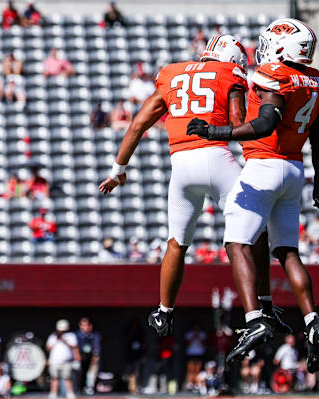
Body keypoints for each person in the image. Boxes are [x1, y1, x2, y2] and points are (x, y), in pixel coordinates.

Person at [98, 35, 289, 340]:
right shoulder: (231, 74)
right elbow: (239, 122)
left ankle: (164, 310)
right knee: (254, 232)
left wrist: (118, 170)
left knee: (176, 243)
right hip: (217, 158)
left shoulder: (171, 74)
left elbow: (137, 124)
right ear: (234, 60)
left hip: (182, 167)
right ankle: (260, 310)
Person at [186, 19, 319, 369]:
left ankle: (255, 320)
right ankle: (313, 323)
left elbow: (265, 122)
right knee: (287, 251)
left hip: (264, 165)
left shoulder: (274, 75)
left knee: (236, 244)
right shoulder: (315, 81)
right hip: (294, 171)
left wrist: (214, 131)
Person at [46, 319, 79, 399]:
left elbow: (74, 347)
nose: (62, 332)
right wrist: (57, 340)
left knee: (67, 378)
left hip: (67, 362)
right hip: (54, 361)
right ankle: (53, 393)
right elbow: (48, 348)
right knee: (54, 378)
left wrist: (65, 341)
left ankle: (70, 393)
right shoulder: (53, 336)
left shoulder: (71, 336)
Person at [76, 318, 101, 395]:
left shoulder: (94, 335)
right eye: (83, 325)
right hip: (80, 357)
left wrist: (95, 355)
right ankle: (80, 388)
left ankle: (89, 388)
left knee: (92, 373)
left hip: (91, 357)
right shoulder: (77, 335)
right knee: (80, 373)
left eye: (86, 325)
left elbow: (96, 345)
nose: (84, 327)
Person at [184, 321, 207, 392]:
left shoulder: (202, 334)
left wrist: (198, 337)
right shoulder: (189, 334)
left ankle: (197, 383)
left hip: (199, 353)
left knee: (197, 369)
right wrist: (193, 337)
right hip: (191, 353)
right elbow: (187, 344)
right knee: (191, 369)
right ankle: (190, 383)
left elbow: (203, 344)